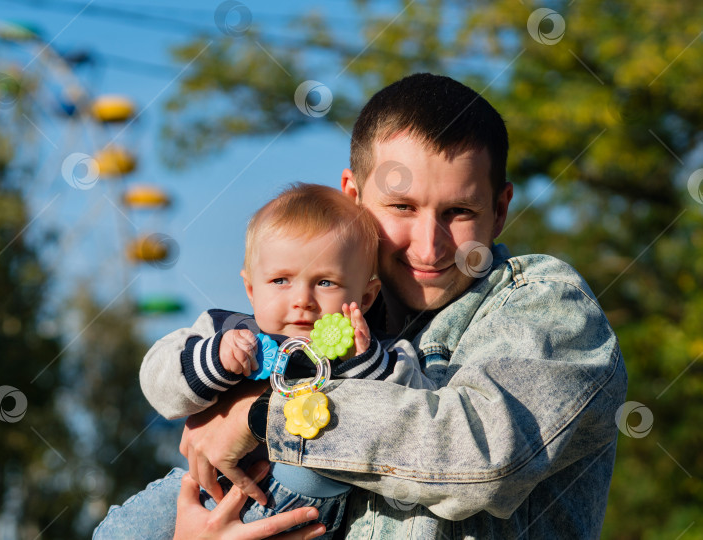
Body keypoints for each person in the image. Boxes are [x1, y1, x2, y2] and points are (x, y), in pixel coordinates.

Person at [100, 73, 628, 539]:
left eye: (459, 212)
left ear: (500, 210)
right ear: (352, 195)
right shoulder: (324, 313)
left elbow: (480, 455)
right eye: (402, 207)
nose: (429, 245)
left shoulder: (547, 304)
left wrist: (263, 413)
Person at [94, 183, 436, 539]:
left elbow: (414, 415)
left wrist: (366, 362)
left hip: (302, 499)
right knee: (119, 531)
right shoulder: (229, 331)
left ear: (365, 298)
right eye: (281, 280)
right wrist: (217, 360)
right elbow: (156, 380)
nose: (302, 299)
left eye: (325, 282)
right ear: (252, 290)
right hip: (208, 485)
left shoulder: (384, 352)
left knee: (310, 475)